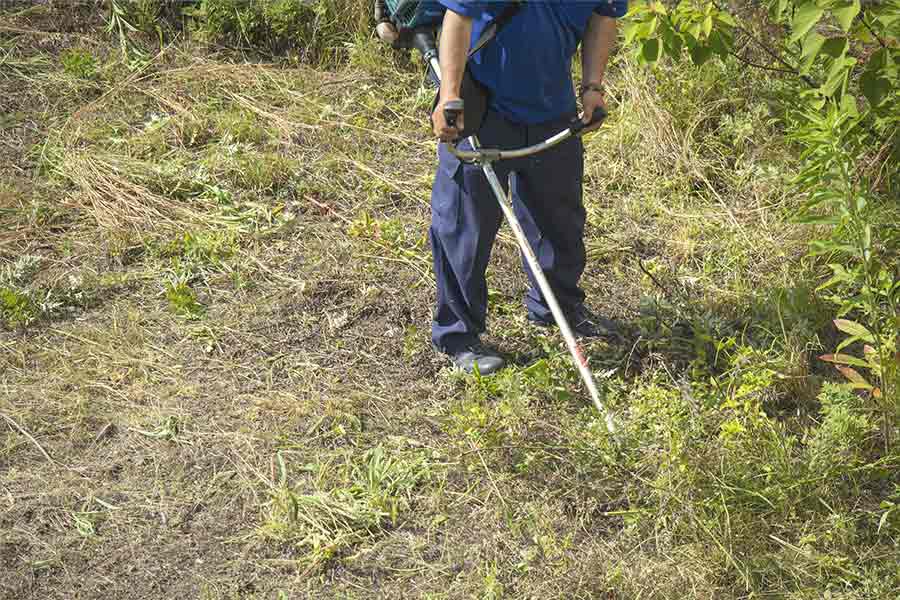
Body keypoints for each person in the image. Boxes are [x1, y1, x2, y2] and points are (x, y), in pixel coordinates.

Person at [429, 0, 627, 375]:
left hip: (552, 108)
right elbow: (459, 15)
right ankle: (458, 336)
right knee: (463, 228)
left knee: (560, 218)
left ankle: (557, 308)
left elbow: (603, 14)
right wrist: (450, 93)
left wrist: (592, 86)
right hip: (483, 109)